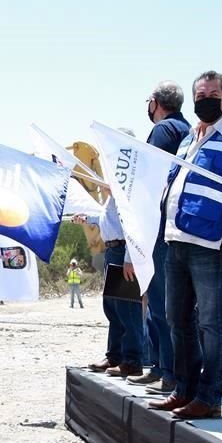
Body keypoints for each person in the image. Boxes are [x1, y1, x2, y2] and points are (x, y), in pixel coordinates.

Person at [147, 71, 222, 420]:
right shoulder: (188, 139)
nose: (205, 98)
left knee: (211, 322)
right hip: (176, 240)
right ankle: (184, 389)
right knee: (177, 319)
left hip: (210, 244)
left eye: (213, 93)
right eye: (200, 93)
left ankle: (210, 397)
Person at [125, 81, 191, 389]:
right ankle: (160, 366)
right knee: (162, 305)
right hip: (176, 228)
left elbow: (151, 181)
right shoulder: (187, 129)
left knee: (162, 304)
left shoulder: (164, 131)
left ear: (155, 103)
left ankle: (169, 373)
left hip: (160, 228)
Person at [76, 128, 145, 379]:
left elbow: (132, 223)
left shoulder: (130, 182)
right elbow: (112, 219)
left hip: (122, 253)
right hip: (113, 251)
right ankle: (115, 355)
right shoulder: (117, 183)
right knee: (113, 308)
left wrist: (129, 257)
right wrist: (90, 217)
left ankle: (133, 359)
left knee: (127, 308)